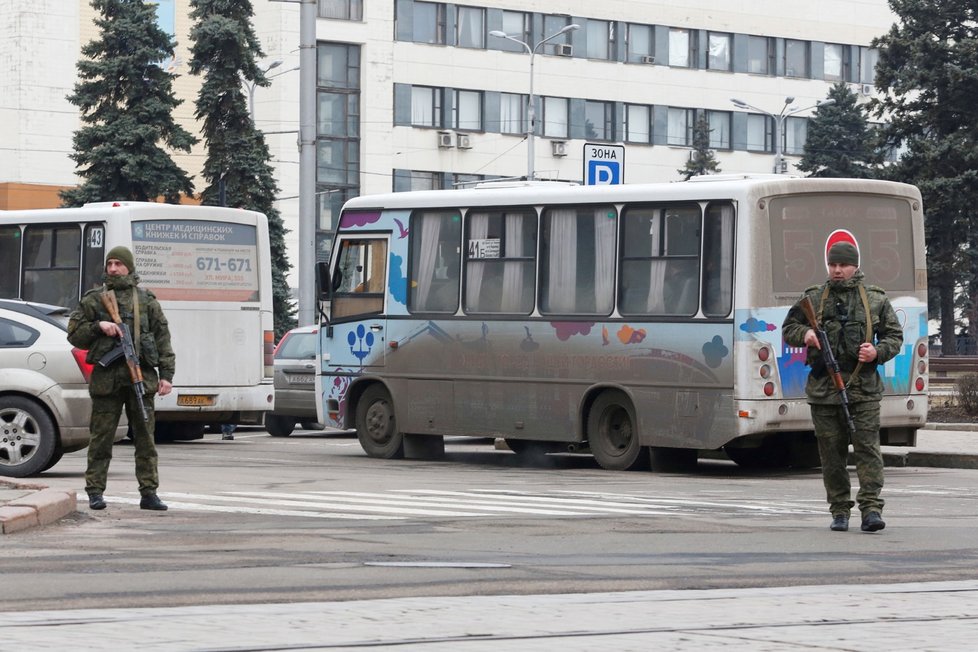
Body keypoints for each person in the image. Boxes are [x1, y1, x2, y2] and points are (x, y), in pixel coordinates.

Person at [782, 242, 903, 533]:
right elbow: (789, 329)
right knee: (831, 454)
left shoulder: (874, 299)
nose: (837, 270)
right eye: (833, 265)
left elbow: (894, 336)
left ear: (855, 266)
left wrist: (877, 353)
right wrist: (807, 333)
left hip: (863, 389)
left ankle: (871, 508)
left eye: (843, 265)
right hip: (825, 390)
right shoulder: (813, 297)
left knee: (867, 450)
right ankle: (839, 510)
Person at [67, 246, 175, 512]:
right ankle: (95, 491)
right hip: (108, 382)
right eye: (110, 264)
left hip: (140, 379)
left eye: (118, 264)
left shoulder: (146, 300)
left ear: (129, 267)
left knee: (146, 441)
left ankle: (149, 493)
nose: (113, 269)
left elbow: (162, 338)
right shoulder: (95, 299)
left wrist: (167, 375)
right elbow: (74, 334)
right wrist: (99, 327)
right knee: (101, 440)